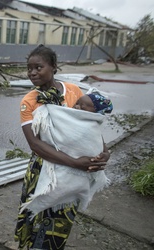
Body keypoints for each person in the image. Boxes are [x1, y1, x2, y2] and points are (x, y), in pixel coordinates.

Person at [14, 45, 110, 250]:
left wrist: (104, 152)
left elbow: (91, 125)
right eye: (29, 68)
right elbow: (35, 144)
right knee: (37, 216)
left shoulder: (74, 91)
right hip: (43, 169)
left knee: (60, 220)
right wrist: (76, 163)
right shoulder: (29, 101)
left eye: (38, 67)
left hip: (74, 173)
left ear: (54, 67)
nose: (32, 72)